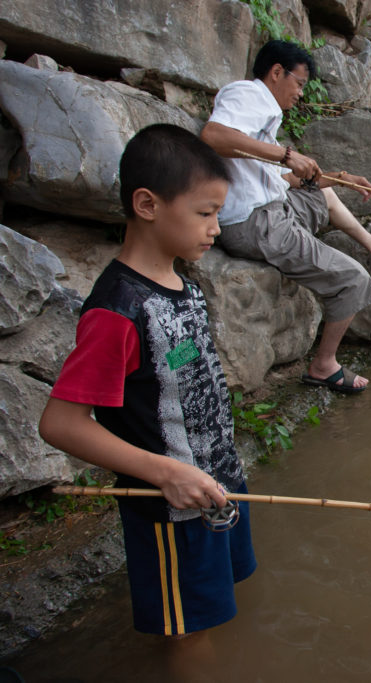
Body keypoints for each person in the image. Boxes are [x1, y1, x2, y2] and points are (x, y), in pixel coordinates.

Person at [38, 124, 255, 676]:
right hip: (170, 507)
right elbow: (61, 423)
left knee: (218, 600)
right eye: (205, 213)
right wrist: (165, 473)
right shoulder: (117, 310)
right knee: (188, 633)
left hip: (218, 482)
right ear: (147, 204)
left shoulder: (183, 282)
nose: (216, 227)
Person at [200, 39, 371, 395]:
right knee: (353, 281)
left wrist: (340, 178)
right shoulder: (248, 94)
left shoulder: (263, 114)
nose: (300, 94)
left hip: (275, 207)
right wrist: (285, 155)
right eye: (300, 83)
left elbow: (284, 178)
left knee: (320, 190)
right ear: (276, 72)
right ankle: (324, 366)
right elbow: (213, 135)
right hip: (257, 222)